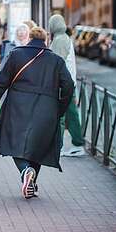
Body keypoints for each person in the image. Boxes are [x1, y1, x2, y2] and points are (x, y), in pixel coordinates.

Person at [0, 26, 74, 199]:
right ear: (46, 40)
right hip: (47, 108)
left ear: (30, 38)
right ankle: (32, 182)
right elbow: (69, 85)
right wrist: (59, 108)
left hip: (18, 106)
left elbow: (1, 83)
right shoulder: (56, 60)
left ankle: (25, 171)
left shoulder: (16, 55)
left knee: (12, 142)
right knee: (38, 145)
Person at [48, 14, 85, 157]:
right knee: (71, 114)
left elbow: (57, 63)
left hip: (62, 84)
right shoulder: (63, 38)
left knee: (61, 116)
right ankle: (77, 144)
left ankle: (58, 147)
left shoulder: (60, 40)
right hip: (68, 83)